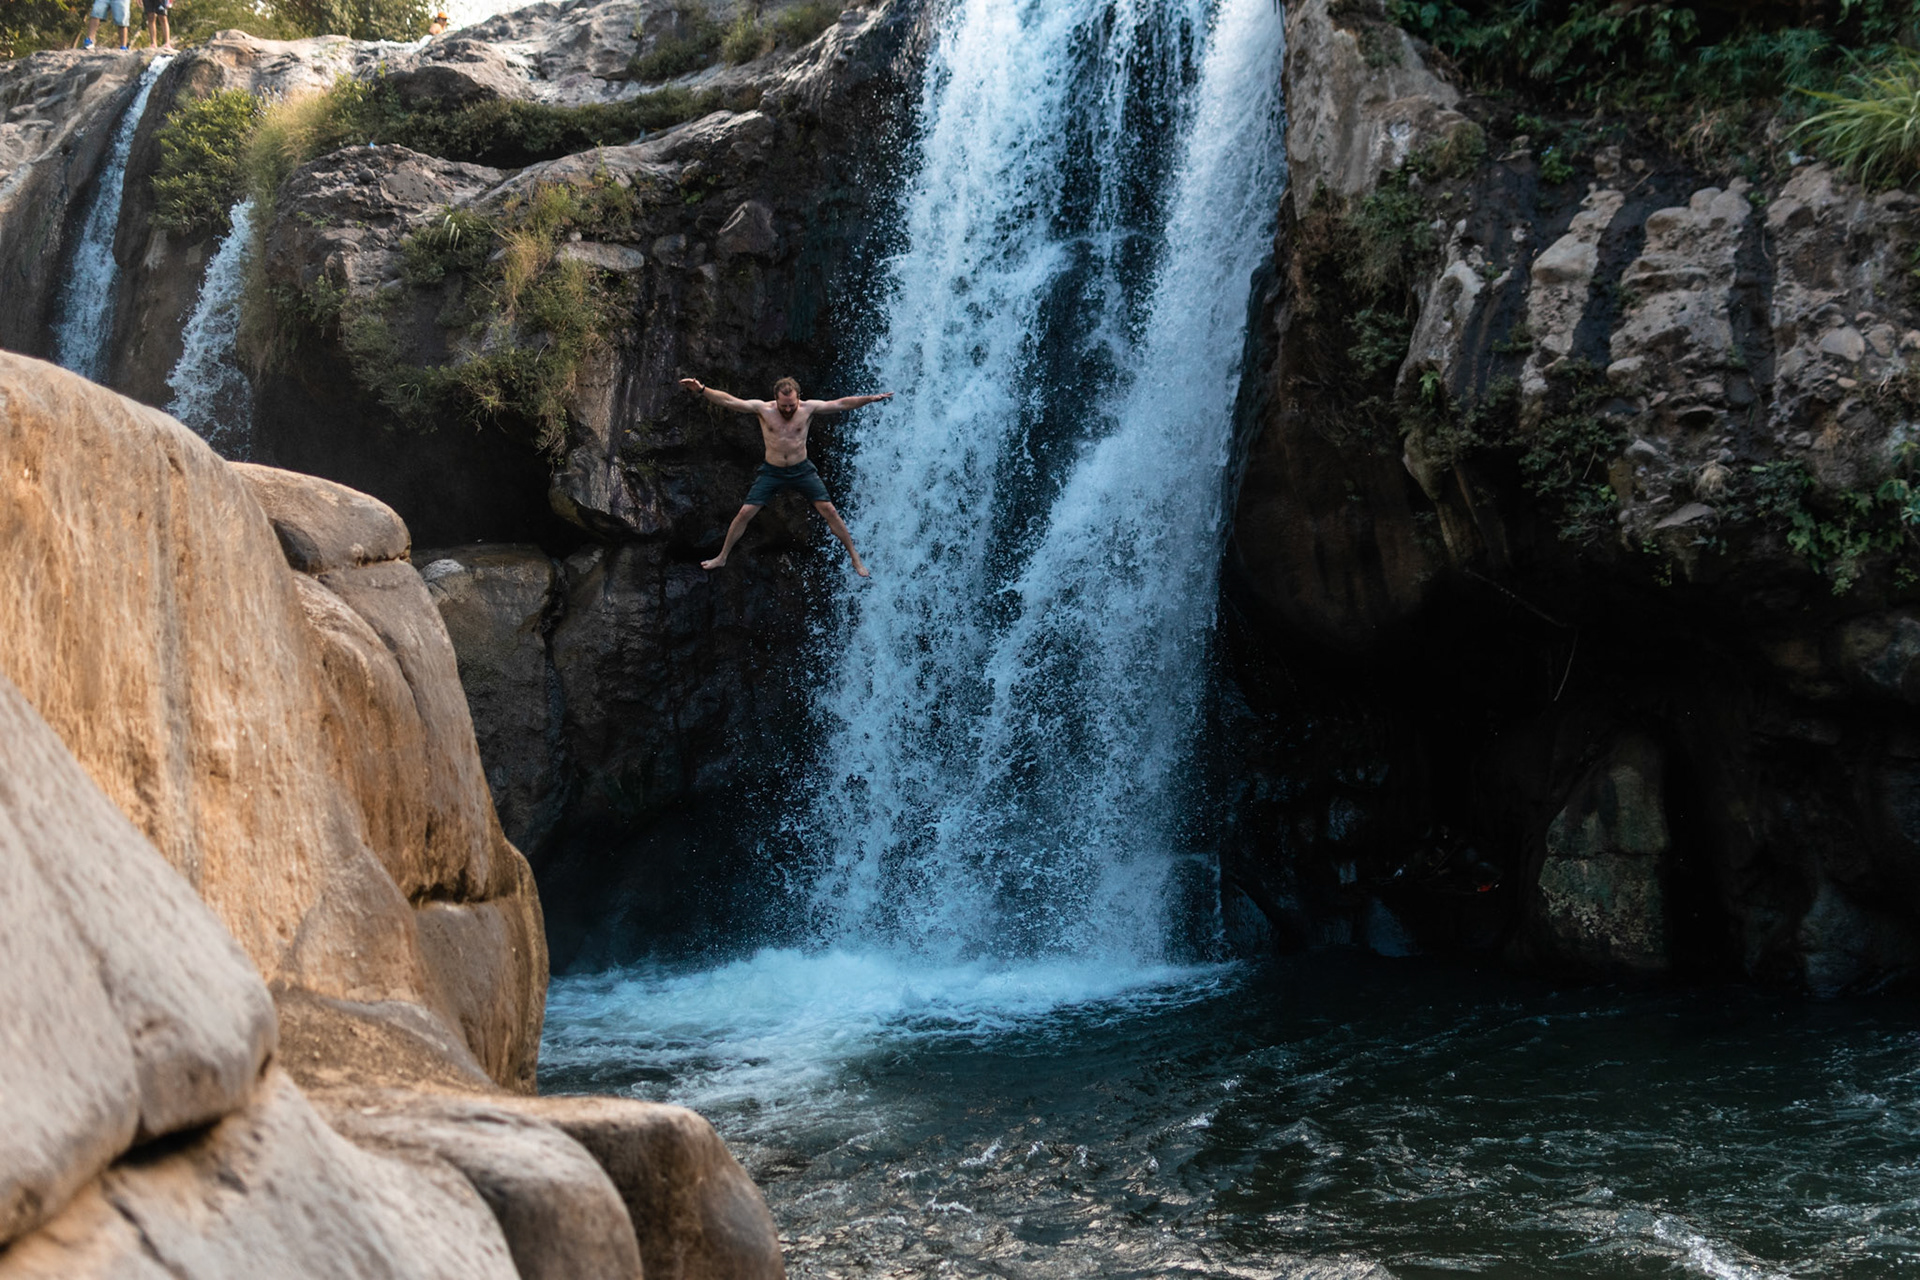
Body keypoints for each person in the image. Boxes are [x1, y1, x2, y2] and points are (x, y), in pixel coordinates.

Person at [680, 374, 891, 576]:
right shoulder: (763, 409)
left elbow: (841, 404)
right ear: (776, 399)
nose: (788, 409)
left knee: (830, 511)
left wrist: (869, 399)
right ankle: (722, 556)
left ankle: (855, 557)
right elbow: (729, 401)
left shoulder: (808, 408)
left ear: (799, 397)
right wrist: (702, 390)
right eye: (784, 406)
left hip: (802, 470)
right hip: (772, 471)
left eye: (792, 405)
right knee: (745, 512)